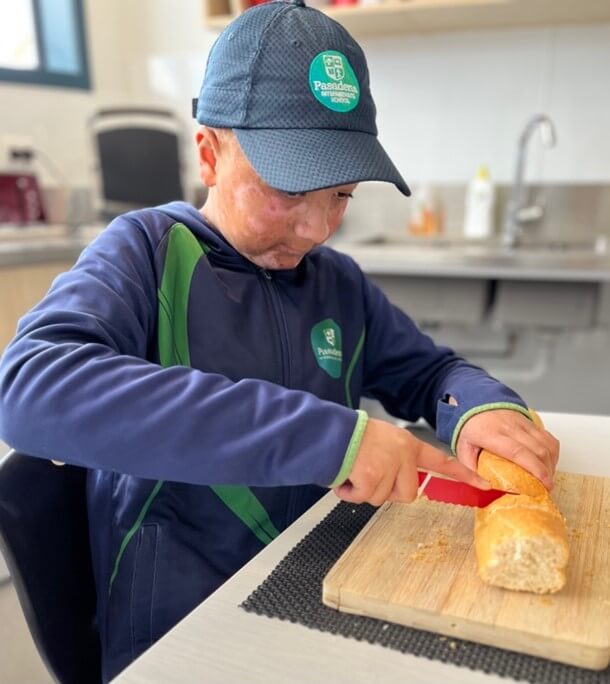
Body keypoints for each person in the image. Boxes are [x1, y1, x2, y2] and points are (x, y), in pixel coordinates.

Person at [0, 0, 559, 680]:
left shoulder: (339, 284)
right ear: (209, 153)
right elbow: (32, 387)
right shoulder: (145, 253)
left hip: (311, 595)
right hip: (178, 636)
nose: (317, 228)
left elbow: (432, 371)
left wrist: (478, 403)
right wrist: (332, 438)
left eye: (341, 196)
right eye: (287, 191)